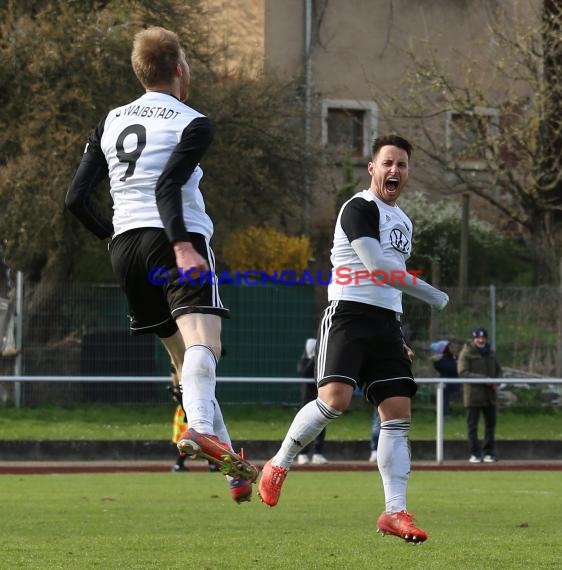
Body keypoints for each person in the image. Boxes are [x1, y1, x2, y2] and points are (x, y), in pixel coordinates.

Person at [65, 26, 257, 503]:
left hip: (125, 249)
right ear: (178, 68)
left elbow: (74, 199)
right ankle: (199, 429)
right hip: (176, 239)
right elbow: (166, 188)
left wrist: (112, 235)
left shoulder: (109, 121)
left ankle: (232, 467)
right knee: (205, 344)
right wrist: (183, 246)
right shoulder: (193, 121)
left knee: (183, 361)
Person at [257, 134, 449, 543]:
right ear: (373, 169)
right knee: (335, 401)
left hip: (386, 324)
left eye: (401, 164)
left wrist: (399, 332)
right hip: (348, 314)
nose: (394, 170)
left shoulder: (405, 220)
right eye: (388, 163)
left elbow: (392, 281)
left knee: (397, 413)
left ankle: (395, 512)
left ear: (408, 172)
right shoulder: (358, 208)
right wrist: (434, 294)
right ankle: (280, 462)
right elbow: (377, 267)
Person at [458, 327, 502, 464]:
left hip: (490, 396)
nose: (481, 340)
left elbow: (499, 370)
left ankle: (489, 453)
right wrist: (485, 380)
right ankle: (475, 454)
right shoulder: (466, 353)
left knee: (490, 425)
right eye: (478, 338)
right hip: (473, 396)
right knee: (473, 426)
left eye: (483, 338)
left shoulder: (491, 353)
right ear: (474, 339)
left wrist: (497, 381)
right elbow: (463, 372)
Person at [296, 338, 328, 465]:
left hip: (320, 397)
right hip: (306, 398)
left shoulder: (323, 361)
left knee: (321, 424)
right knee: (304, 426)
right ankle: (303, 454)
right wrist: (313, 359)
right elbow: (304, 373)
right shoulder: (304, 361)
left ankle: (318, 453)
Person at [430, 340, 460, 416]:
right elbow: (452, 368)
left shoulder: (451, 357)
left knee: (446, 400)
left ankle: (446, 414)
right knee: (443, 400)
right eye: (449, 347)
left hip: (452, 383)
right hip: (446, 383)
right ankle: (443, 415)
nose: (452, 348)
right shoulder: (440, 360)